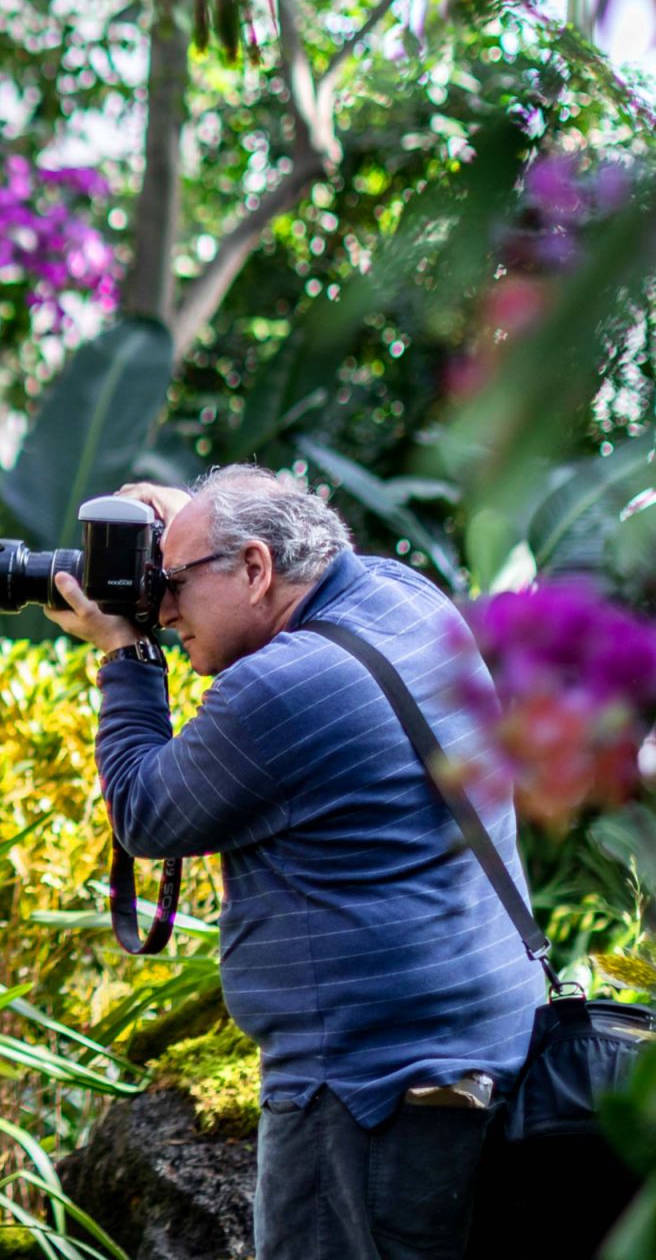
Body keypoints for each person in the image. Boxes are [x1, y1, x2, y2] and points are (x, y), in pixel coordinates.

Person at [49, 464, 541, 1260]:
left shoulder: (283, 686)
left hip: (365, 1094)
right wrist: (187, 524)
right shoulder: (401, 595)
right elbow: (271, 527)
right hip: (478, 1050)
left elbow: (143, 813)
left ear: (254, 567)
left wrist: (124, 653)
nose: (165, 606)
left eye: (173, 581)